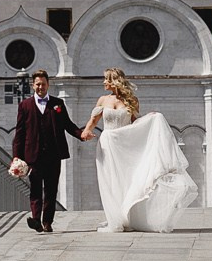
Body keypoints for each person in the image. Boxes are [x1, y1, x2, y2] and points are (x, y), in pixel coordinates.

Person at [79, 68, 199, 233]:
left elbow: (136, 122)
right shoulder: (103, 100)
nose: (103, 82)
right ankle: (115, 218)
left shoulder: (131, 100)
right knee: (110, 181)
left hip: (124, 145)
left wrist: (150, 118)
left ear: (114, 81)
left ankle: (128, 216)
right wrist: (85, 131)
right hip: (108, 144)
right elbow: (93, 120)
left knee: (127, 180)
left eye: (106, 79)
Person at [9, 70, 88, 232]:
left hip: (53, 154)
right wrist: (16, 157)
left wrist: (82, 134)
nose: (40, 87)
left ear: (48, 85)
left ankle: (47, 222)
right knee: (35, 189)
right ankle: (36, 219)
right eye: (37, 84)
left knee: (51, 190)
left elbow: (68, 124)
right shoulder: (25, 105)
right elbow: (20, 132)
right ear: (33, 85)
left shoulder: (58, 104)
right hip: (33, 155)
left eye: (43, 84)